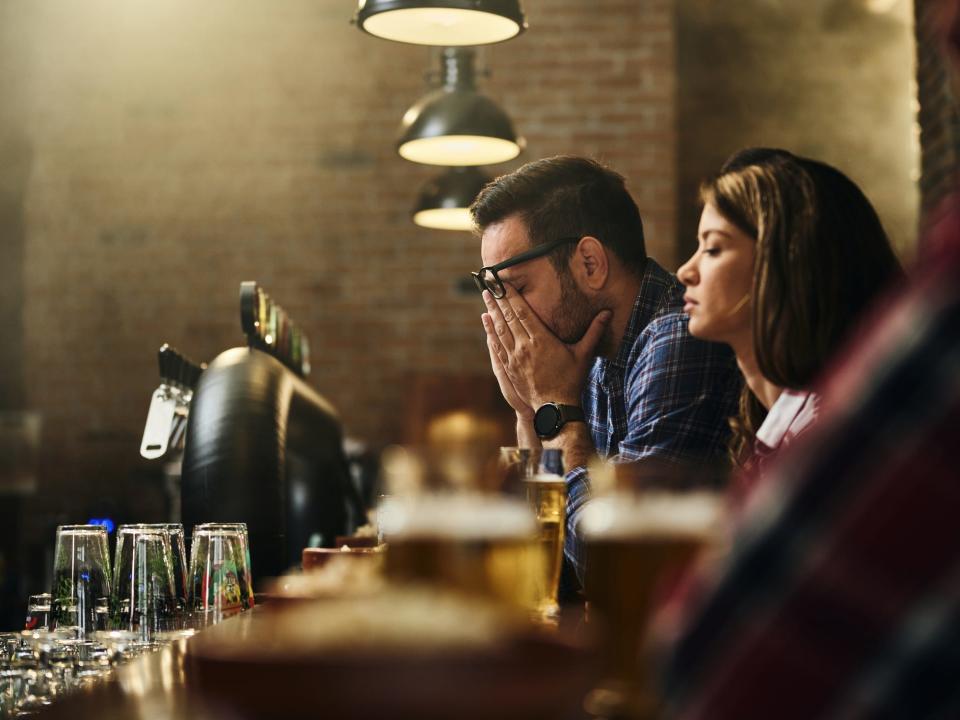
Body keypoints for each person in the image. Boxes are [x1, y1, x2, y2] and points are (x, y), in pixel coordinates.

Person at [469, 155, 741, 583]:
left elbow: (614, 565)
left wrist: (556, 407)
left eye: (518, 289)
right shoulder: (586, 355)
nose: (507, 313)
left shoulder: (680, 338)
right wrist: (528, 411)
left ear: (589, 264)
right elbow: (543, 554)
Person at [677, 149, 902, 509]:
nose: (685, 271)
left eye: (714, 248)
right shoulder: (780, 433)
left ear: (784, 263)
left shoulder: (825, 446)